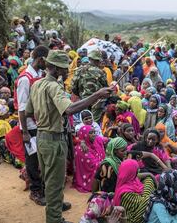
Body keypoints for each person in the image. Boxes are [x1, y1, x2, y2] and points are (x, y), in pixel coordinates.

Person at [25, 50, 112, 223]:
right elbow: (69, 109)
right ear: (56, 69)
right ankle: (55, 219)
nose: (66, 73)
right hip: (53, 139)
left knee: (49, 179)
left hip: (42, 136)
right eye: (65, 69)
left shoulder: (37, 84)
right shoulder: (53, 86)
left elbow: (28, 112)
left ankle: (54, 208)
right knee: (55, 182)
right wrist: (97, 95)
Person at [14, 45, 48, 206]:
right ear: (40, 59)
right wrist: (25, 132)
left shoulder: (39, 75)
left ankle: (42, 188)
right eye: (46, 61)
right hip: (29, 126)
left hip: (39, 124)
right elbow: (21, 108)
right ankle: (35, 191)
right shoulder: (25, 79)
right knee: (33, 160)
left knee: (42, 159)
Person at [71, 50, 109, 122]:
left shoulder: (79, 70)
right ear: (98, 61)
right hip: (97, 101)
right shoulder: (100, 71)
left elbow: (73, 87)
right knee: (94, 122)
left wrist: (80, 94)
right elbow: (105, 86)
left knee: (85, 121)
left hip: (84, 101)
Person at [73, 125, 107, 193]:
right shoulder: (81, 149)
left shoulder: (95, 142)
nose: (94, 135)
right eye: (91, 133)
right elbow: (94, 165)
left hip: (101, 165)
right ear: (84, 134)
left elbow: (105, 139)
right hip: (90, 175)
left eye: (94, 132)